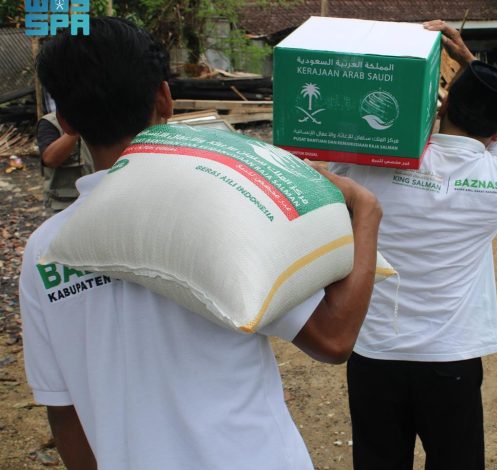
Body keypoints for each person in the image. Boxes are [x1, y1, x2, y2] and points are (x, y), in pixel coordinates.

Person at [19, 17, 382, 470]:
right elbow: (333, 338)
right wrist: (366, 212)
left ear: (66, 121)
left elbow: (64, 411)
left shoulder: (44, 252)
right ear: (164, 98)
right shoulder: (230, 204)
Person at [330, 20, 497, 470]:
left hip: (376, 351)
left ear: (443, 106)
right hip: (452, 359)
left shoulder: (373, 164)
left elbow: (339, 144)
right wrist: (469, 60)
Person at [36, 111, 94, 213]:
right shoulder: (51, 121)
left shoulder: (100, 120)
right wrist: (76, 128)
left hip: (96, 196)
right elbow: (50, 160)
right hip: (64, 204)